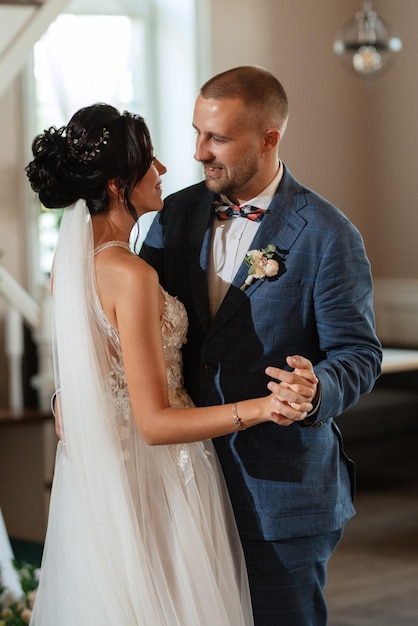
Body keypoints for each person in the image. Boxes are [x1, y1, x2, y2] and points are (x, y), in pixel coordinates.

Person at [25, 103, 315, 626]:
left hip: (108, 481)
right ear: (117, 184)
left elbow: (97, 375)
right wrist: (265, 407)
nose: (162, 171)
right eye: (151, 161)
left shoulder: (67, 269)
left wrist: (66, 394)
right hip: (161, 479)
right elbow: (155, 423)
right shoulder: (129, 274)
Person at [140, 66, 383, 625]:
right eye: (198, 132)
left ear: (270, 138)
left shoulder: (328, 233)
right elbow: (131, 324)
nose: (199, 152)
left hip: (284, 496)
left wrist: (316, 388)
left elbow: (358, 352)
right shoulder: (176, 215)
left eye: (218, 138)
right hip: (187, 484)